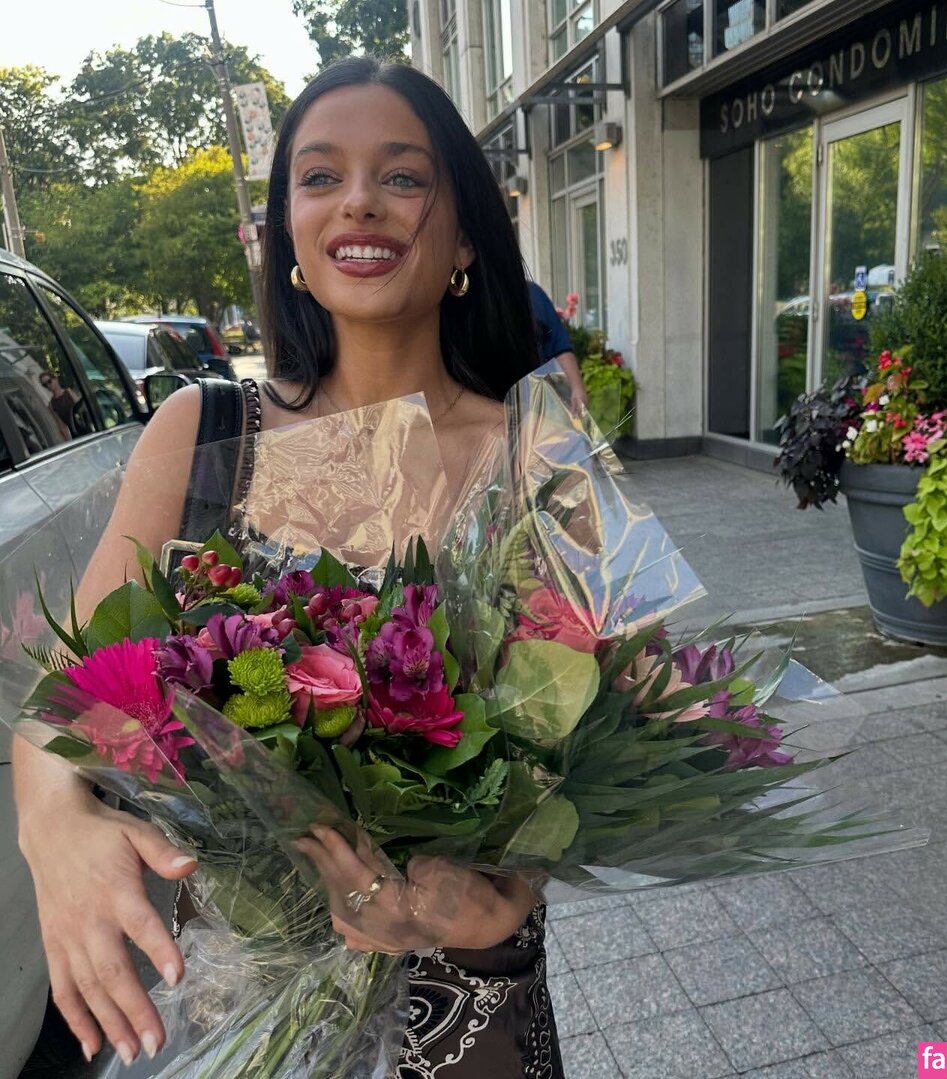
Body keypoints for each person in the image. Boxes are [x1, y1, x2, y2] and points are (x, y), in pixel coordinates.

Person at [14, 57, 563, 1076]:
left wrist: (506, 891)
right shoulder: (204, 432)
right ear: (291, 239)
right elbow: (68, 697)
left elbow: (600, 747)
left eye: (403, 176)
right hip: (237, 1006)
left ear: (463, 237)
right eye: (319, 176)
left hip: (464, 1006)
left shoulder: (541, 456)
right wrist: (54, 827)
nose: (359, 200)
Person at [527, 280, 589, 416]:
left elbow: (559, 345)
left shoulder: (532, 293)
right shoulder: (480, 297)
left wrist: (577, 387)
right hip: (491, 408)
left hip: (540, 401)